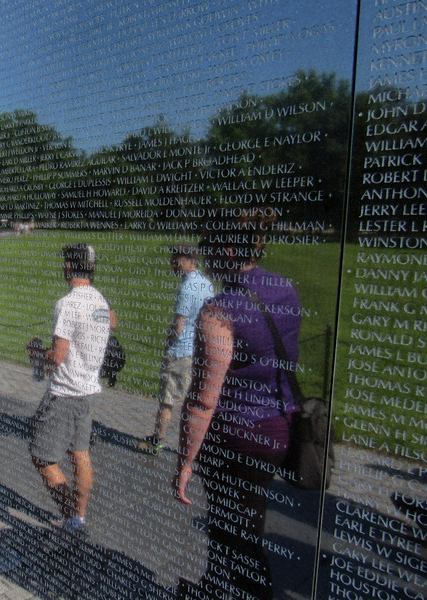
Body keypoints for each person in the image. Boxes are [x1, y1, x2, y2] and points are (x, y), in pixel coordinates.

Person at [173, 208, 301, 600]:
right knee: (238, 520)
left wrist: (185, 459)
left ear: (228, 251)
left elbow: (203, 400)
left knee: (241, 537)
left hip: (236, 437)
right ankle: (213, 588)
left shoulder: (220, 309)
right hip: (279, 424)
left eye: (211, 250)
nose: (207, 258)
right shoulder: (286, 288)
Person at [29, 243, 112, 534]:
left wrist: (37, 352)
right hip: (89, 389)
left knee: (41, 456)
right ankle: (80, 515)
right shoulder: (101, 301)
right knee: (81, 453)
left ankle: (71, 519)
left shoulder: (67, 303)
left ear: (68, 267)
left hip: (64, 391)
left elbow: (58, 356)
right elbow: (111, 323)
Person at [138, 243, 214, 453]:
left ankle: (157, 440)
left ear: (189, 260)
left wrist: (169, 339)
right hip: (197, 351)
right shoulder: (207, 284)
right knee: (193, 401)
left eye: (177, 259)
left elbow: (179, 325)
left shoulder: (186, 287)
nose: (173, 263)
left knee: (167, 401)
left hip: (179, 352)